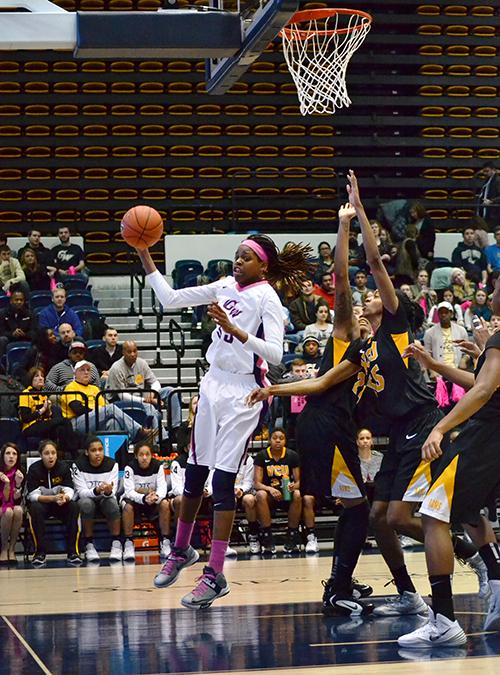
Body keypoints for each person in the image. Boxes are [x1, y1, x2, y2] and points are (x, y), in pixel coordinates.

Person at [134, 232, 312, 609]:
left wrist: (236, 331)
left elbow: (277, 355)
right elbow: (170, 299)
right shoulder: (226, 284)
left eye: (246, 257)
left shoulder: (268, 299)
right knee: (195, 472)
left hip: (244, 393)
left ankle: (215, 574)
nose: (238, 261)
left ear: (263, 265)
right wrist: (144, 253)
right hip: (213, 383)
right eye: (237, 255)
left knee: (224, 480)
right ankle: (181, 550)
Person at [247, 201, 374, 615]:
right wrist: (343, 225)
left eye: (364, 311)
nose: (359, 312)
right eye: (356, 310)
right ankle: (337, 586)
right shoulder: (346, 339)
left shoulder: (373, 350)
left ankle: (341, 579)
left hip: (335, 426)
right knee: (357, 509)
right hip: (324, 424)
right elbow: (340, 278)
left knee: (353, 508)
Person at [398, 277, 500, 647]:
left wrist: (439, 428)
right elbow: (482, 382)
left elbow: (484, 390)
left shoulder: (498, 340)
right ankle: (497, 582)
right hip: (493, 441)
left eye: (497, 288)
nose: (491, 294)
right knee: (472, 514)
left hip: (484, 438)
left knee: (433, 515)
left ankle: (443, 619)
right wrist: (436, 364)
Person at [61, 360, 156, 443]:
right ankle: (139, 431)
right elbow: (77, 408)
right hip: (76, 423)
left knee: (113, 422)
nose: (86, 372)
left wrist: (100, 411)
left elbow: (104, 406)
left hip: (94, 420)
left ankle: (115, 456)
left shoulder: (94, 388)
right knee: (110, 409)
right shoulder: (71, 387)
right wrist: (97, 411)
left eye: (88, 370)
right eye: (82, 370)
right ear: (75, 373)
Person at [106, 340, 181, 437]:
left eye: (135, 351)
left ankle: (175, 428)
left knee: (171, 392)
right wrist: (146, 400)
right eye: (129, 352)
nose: (133, 354)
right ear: (123, 353)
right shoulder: (116, 368)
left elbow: (155, 382)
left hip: (143, 394)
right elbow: (122, 396)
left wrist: (152, 393)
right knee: (149, 407)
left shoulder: (142, 363)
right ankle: (162, 438)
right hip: (122, 400)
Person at [26, 439, 81, 567]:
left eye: (53, 453)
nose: (50, 456)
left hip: (60, 505)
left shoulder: (63, 467)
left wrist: (65, 498)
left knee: (73, 506)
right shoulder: (34, 469)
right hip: (43, 505)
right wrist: (53, 498)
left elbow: (70, 490)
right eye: (46, 453)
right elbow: (33, 496)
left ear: (57, 454)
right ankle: (39, 553)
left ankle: (73, 552)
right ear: (41, 455)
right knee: (34, 508)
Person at [71, 436, 122, 563]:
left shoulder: (112, 464)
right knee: (86, 504)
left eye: (100, 449)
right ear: (87, 452)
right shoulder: (78, 465)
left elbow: (113, 491)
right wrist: (96, 491)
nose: (98, 453)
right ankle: (89, 544)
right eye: (93, 450)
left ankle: (116, 543)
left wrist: (108, 490)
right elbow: (81, 492)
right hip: (87, 498)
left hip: (105, 497)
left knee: (112, 503)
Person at [253, 428, 301, 554]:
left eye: (281, 438)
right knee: (260, 494)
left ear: (285, 441)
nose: (278, 441)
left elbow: (299, 482)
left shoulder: (292, 455)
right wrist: (270, 489)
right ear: (269, 440)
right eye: (275, 438)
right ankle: (267, 535)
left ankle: (292, 534)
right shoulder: (261, 456)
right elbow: (257, 483)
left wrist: (293, 486)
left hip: (286, 494)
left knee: (297, 494)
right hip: (269, 496)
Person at [121, 441, 171, 563]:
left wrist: (156, 497)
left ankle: (165, 541)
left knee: (164, 504)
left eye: (147, 454)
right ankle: (128, 543)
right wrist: (144, 498)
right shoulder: (130, 468)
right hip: (136, 502)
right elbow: (129, 492)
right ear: (136, 456)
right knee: (127, 507)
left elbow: (162, 488)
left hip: (152, 500)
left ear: (151, 455)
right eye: (141, 455)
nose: (144, 458)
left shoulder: (158, 466)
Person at [18, 367, 80, 456]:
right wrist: (42, 409)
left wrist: (48, 411)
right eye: (37, 376)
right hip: (30, 427)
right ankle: (74, 454)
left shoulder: (43, 395)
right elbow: (25, 418)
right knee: (65, 421)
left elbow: (47, 416)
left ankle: (63, 454)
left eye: (42, 376)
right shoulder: (25, 394)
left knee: (61, 429)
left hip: (43, 425)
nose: (40, 378)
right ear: (31, 379)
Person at [0, 442, 24, 565]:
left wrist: (18, 484)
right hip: (1, 506)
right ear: (2, 456)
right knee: (8, 512)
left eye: (14, 454)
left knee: (18, 510)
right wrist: (7, 484)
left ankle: (12, 549)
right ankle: (4, 548)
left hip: (10, 506)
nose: (11, 457)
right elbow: (3, 499)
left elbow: (16, 501)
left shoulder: (20, 472)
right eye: (8, 453)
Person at [0, 289, 36, 364]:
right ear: (11, 301)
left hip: (26, 338)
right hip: (9, 339)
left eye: (21, 300)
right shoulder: (3, 313)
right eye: (16, 300)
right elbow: (1, 331)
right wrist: (12, 334)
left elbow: (34, 331)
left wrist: (25, 334)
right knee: (2, 339)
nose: (19, 302)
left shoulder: (30, 314)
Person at [477, 161, 500, 227]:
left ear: (494, 170)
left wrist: (492, 201)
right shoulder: (488, 180)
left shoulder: (498, 180)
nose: (485, 173)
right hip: (488, 212)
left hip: (494, 213)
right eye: (484, 171)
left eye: (487, 171)